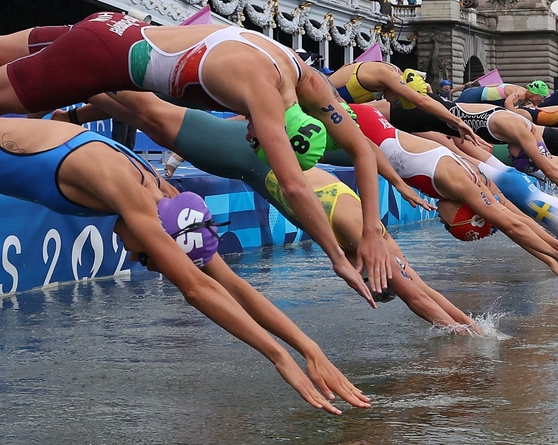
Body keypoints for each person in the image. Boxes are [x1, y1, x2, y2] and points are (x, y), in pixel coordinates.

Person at [0, 96, 372, 415]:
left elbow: (228, 284)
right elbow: (196, 290)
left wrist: (310, 346)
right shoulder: (131, 195)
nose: (138, 259)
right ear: (156, 239)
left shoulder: (164, 198)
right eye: (148, 259)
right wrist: (279, 359)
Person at [0, 13, 395, 301]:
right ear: (269, 125)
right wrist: (339, 259)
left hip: (112, 26)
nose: (253, 139)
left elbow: (361, 152)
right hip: (101, 59)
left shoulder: (302, 75)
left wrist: (371, 229)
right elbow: (296, 187)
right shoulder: (265, 98)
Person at [57, 93, 485, 334]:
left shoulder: (375, 242)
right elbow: (416, 296)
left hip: (247, 154)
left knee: (150, 114)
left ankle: (76, 103)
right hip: (242, 154)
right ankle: (76, 83)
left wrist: (474, 327)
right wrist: (465, 339)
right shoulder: (366, 242)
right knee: (150, 112)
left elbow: (422, 290)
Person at [342, 104, 558, 284]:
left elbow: (517, 220)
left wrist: (551, 257)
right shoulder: (459, 183)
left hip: (374, 124)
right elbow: (511, 225)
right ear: (464, 213)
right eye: (450, 226)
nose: (443, 223)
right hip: (361, 121)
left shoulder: (479, 181)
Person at [326, 62, 481, 145]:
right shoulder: (387, 75)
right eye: (398, 102)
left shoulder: (392, 72)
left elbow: (426, 91)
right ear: (400, 90)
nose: (393, 105)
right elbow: (422, 100)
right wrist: (458, 122)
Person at [456, 80, 550, 110]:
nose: (542, 100)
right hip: (472, 97)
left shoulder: (524, 96)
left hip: (473, 93)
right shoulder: (521, 92)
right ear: (535, 94)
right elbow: (508, 103)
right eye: (542, 97)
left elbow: (518, 108)